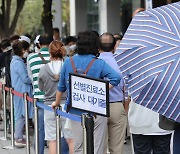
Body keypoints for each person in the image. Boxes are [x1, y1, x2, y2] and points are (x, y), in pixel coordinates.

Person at [52, 31, 121, 154]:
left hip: (75, 109)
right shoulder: (99, 63)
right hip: (97, 109)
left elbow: (61, 86)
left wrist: (56, 103)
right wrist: (100, 91)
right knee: (98, 146)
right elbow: (116, 77)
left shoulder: (69, 61)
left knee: (79, 145)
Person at [38, 40, 73, 154]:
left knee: (52, 139)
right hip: (67, 105)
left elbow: (41, 88)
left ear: (50, 52)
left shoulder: (44, 69)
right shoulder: (68, 67)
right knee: (70, 138)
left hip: (49, 106)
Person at [98, 32, 127, 154]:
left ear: (98, 47)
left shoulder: (94, 63)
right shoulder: (122, 63)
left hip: (98, 107)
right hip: (117, 106)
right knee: (117, 149)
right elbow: (127, 90)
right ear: (115, 46)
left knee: (100, 147)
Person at [27, 35, 53, 154]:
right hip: (55, 98)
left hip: (39, 98)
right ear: (51, 43)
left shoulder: (31, 58)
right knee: (58, 129)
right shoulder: (58, 58)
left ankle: (39, 152)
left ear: (38, 45)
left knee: (39, 129)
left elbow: (31, 77)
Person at [10, 41, 33, 146]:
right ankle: (18, 138)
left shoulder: (15, 61)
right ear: (23, 50)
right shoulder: (18, 63)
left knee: (19, 114)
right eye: (27, 50)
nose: (27, 52)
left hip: (19, 91)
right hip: (22, 92)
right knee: (21, 115)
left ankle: (18, 136)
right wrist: (33, 79)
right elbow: (25, 78)